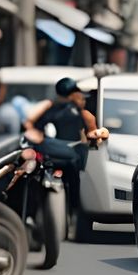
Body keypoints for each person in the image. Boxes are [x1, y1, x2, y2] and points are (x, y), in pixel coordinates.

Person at [24, 77, 106, 213]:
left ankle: (33, 213)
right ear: (73, 95)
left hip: (53, 155)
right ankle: (74, 210)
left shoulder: (54, 108)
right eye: (79, 95)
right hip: (66, 156)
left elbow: (29, 121)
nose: (82, 99)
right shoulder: (76, 111)